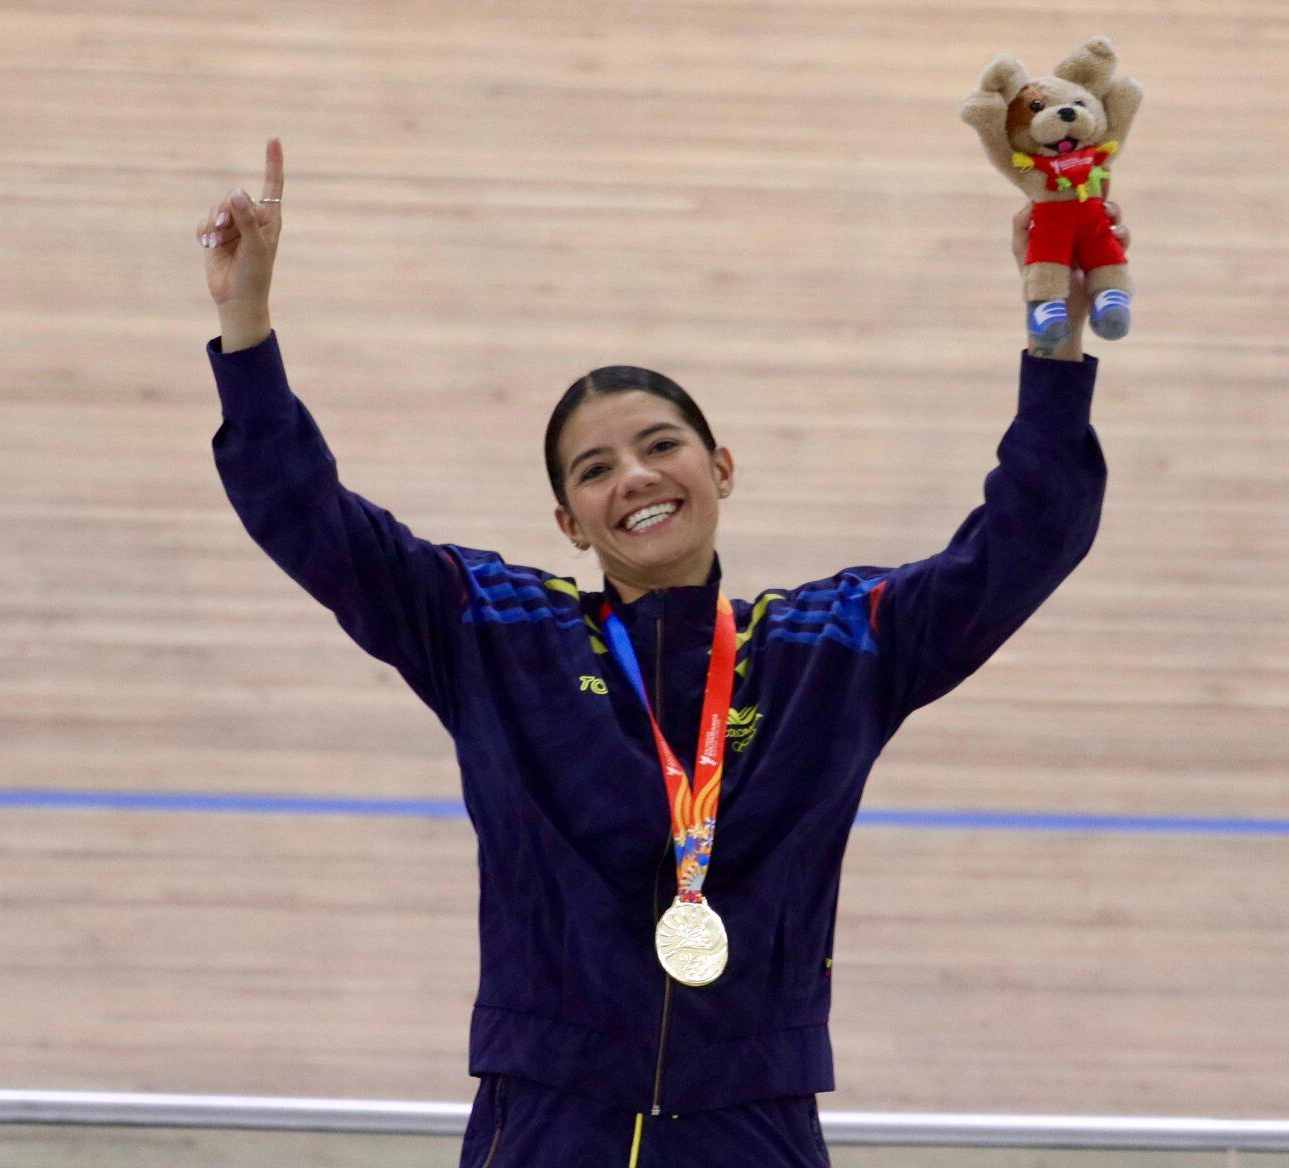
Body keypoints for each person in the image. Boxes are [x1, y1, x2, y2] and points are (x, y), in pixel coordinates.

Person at [195, 137, 1118, 1168]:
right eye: (594, 469)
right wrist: (247, 325)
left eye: (661, 445)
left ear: (719, 466)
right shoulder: (498, 631)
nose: (632, 477)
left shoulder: (833, 642)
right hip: (547, 1120)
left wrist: (1057, 355)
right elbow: (307, 515)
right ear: (568, 520)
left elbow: (1025, 541)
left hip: (753, 1120)